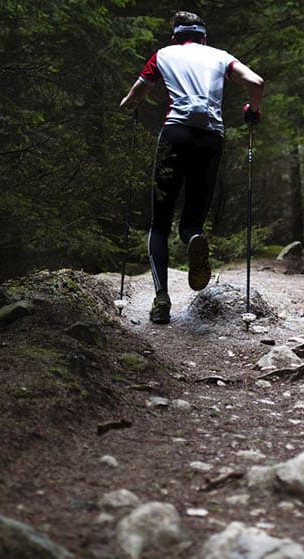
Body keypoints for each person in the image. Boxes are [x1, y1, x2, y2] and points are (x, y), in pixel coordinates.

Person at [120, 11, 264, 324]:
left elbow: (135, 96)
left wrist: (128, 106)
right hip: (211, 138)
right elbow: (256, 82)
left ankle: (161, 301)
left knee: (159, 222)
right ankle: (194, 239)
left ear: (175, 37)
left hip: (175, 134)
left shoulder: (163, 55)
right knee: (192, 221)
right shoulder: (220, 56)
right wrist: (253, 110)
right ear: (204, 38)